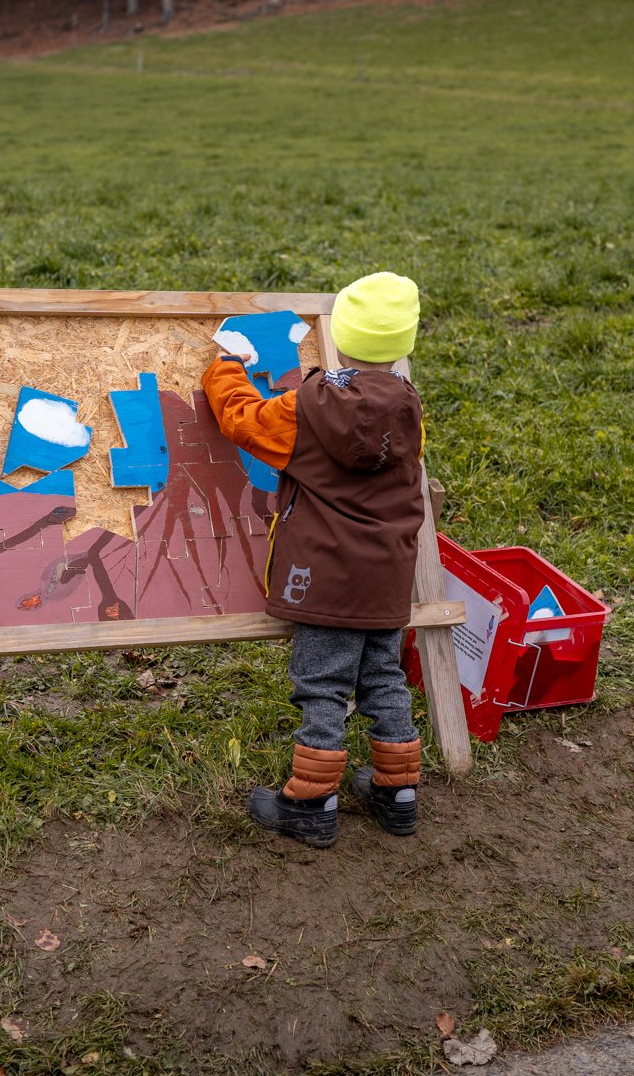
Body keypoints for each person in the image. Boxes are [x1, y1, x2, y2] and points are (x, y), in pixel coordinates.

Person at [200, 271, 427, 847]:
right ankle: (396, 793)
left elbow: (242, 423)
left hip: (322, 578)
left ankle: (310, 801)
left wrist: (228, 366)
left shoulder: (307, 406)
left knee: (322, 685)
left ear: (340, 335)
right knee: (383, 677)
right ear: (405, 343)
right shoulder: (410, 408)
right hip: (388, 576)